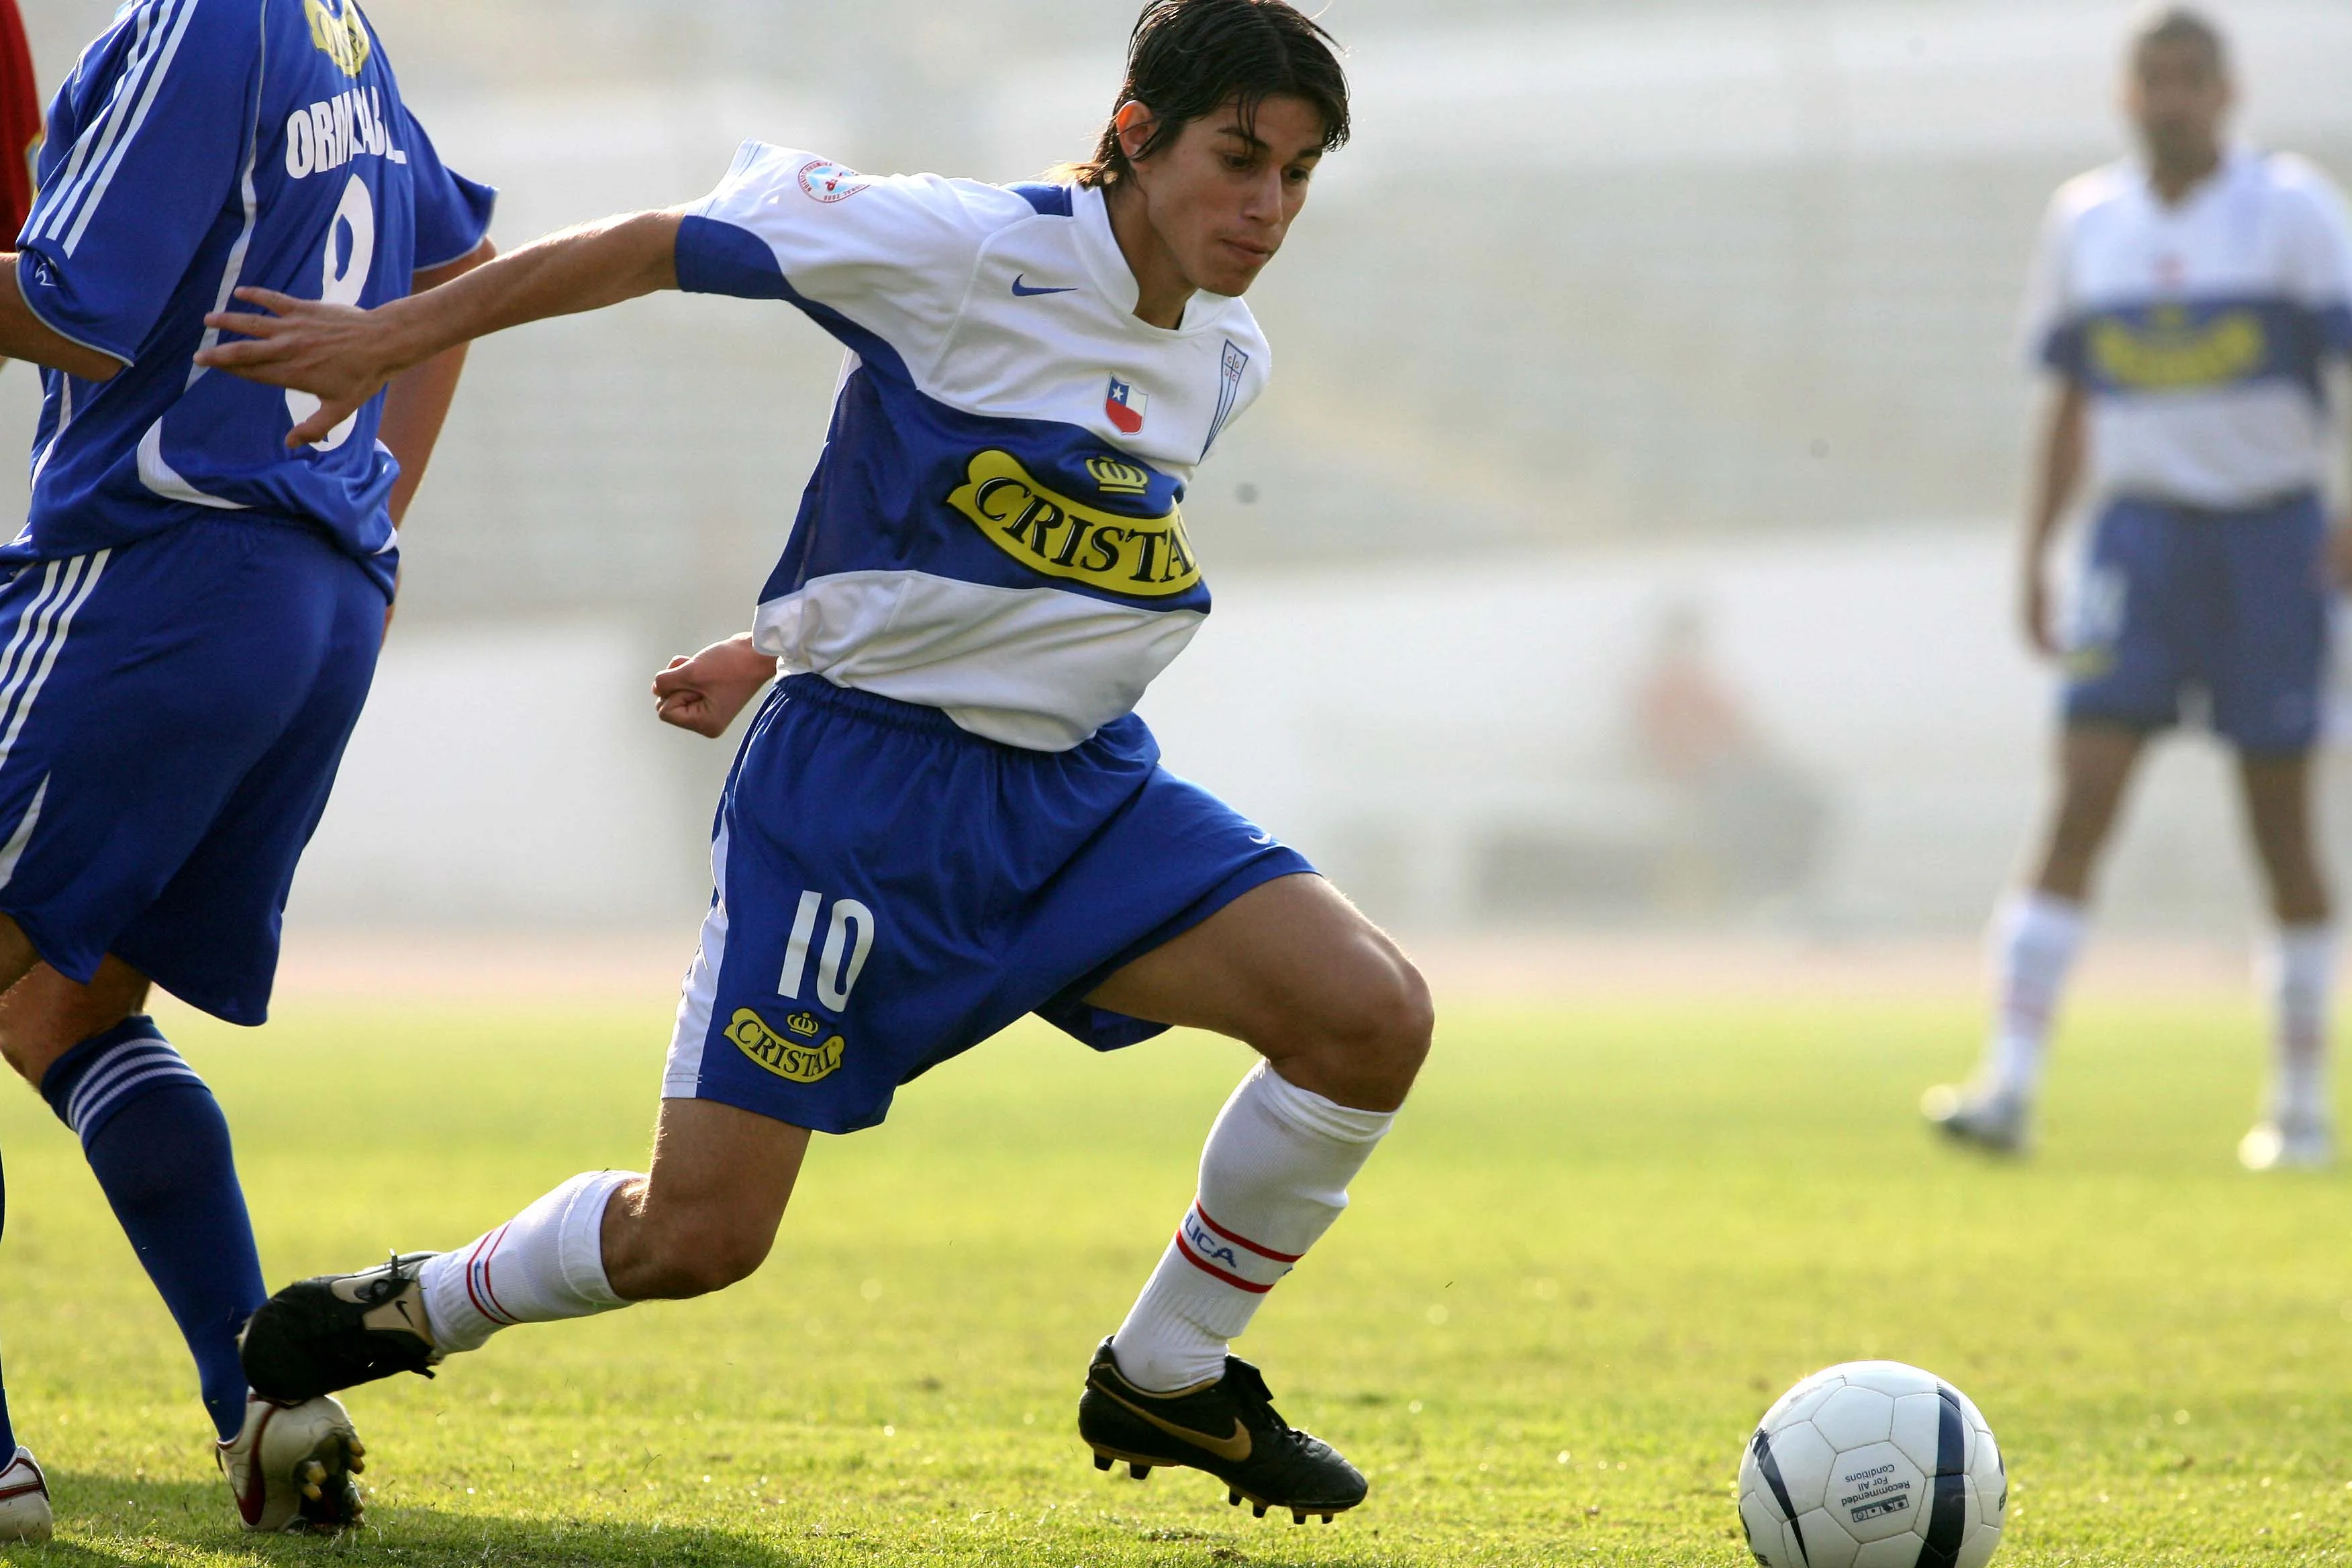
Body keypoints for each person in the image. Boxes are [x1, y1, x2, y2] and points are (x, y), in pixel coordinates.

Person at [213, 0, 1429, 1528]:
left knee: (1370, 1017)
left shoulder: (1224, 354)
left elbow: (964, 533)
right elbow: (666, 240)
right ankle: (411, 1307)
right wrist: (397, 331)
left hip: (1078, 795)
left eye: (1299, 175)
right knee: (699, 1239)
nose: (1267, 209)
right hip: (859, 808)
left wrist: (780, 630)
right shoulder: (966, 247)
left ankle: (1167, 1371)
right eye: (1238, 158)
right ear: (1134, 135)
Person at [0, 0, 494, 1536]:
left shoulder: (197, 18)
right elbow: (453, 272)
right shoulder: (331, 23)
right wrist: (377, 498)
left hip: (161, 574)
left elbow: (86, 312)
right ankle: (261, 1398)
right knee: (69, 1001)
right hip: (312, 590)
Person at [1923, 7, 2352, 1167]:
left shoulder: (2293, 213)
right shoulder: (2089, 221)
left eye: (2190, 80)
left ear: (2227, 92)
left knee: (2281, 826)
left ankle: (2301, 1111)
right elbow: (2069, 403)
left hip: (2271, 544)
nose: (2171, 99)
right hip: (2140, 546)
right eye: (2152, 80)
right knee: (2079, 804)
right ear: (2127, 96)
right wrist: (2036, 555)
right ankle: (2007, 1087)